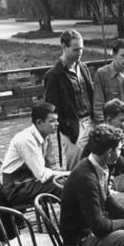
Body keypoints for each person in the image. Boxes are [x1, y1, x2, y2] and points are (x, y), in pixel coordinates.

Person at [0, 102, 65, 207]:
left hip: (30, 181)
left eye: (57, 120)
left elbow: (51, 165)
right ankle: (70, 220)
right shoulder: (26, 140)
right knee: (62, 187)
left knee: (69, 182)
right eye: (52, 121)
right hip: (15, 188)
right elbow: (41, 175)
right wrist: (65, 174)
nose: (57, 124)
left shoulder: (45, 136)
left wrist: (65, 175)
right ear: (39, 122)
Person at [44, 30, 94, 170]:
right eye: (75, 49)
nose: (80, 52)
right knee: (76, 168)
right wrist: (66, 127)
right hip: (73, 128)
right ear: (64, 47)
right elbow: (51, 108)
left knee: (94, 163)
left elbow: (91, 94)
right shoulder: (53, 75)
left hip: (91, 122)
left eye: (82, 49)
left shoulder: (83, 67)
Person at [92, 38, 124, 124]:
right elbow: (98, 105)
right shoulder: (102, 74)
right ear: (114, 55)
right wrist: (103, 126)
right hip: (112, 125)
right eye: (123, 56)